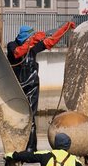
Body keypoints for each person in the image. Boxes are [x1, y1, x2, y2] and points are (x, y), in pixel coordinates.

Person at [6, 20, 75, 151]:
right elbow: (17, 53)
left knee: (31, 117)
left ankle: (31, 148)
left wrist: (64, 29)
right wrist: (32, 42)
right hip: (16, 86)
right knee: (15, 118)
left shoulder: (32, 48)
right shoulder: (12, 45)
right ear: (26, 37)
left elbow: (50, 41)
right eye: (31, 38)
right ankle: (15, 145)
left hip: (32, 85)